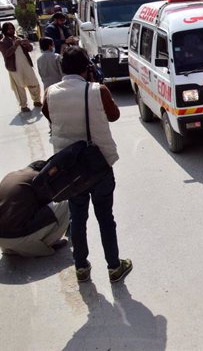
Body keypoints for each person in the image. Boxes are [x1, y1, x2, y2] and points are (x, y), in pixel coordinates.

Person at [42, 46, 132, 284]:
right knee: (105, 217)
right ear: (87, 67)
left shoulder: (50, 92)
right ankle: (114, 266)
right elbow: (114, 116)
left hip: (70, 170)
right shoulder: (97, 90)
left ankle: (81, 267)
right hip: (98, 164)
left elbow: (48, 114)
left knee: (77, 218)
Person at [0, 161, 69, 257]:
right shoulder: (37, 178)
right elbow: (49, 201)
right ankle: (49, 244)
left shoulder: (11, 175)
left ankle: (11, 249)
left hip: (2, 239)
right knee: (64, 203)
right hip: (17, 237)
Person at [0, 22, 42, 112]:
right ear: (5, 31)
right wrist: (15, 45)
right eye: (9, 29)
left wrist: (27, 44)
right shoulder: (3, 42)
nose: (11, 30)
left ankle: (37, 100)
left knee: (33, 82)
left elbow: (30, 49)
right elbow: (7, 54)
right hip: (14, 67)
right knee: (19, 87)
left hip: (26, 64)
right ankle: (23, 105)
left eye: (12, 28)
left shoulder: (19, 38)